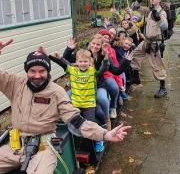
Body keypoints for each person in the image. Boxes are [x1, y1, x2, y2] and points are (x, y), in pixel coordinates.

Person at [0, 38, 131, 173]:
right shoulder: (16, 84)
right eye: (32, 71)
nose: (37, 75)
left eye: (42, 71)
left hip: (42, 147)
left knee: (102, 100)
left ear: (48, 71)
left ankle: (107, 119)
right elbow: (64, 62)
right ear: (27, 71)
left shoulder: (57, 92)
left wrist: (105, 135)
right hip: (15, 145)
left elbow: (77, 121)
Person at [131, 0, 168, 98]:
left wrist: (158, 19)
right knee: (134, 55)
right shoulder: (149, 11)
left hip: (154, 43)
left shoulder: (162, 12)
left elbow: (165, 26)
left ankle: (163, 88)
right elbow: (134, 7)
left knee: (157, 66)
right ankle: (136, 79)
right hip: (146, 41)